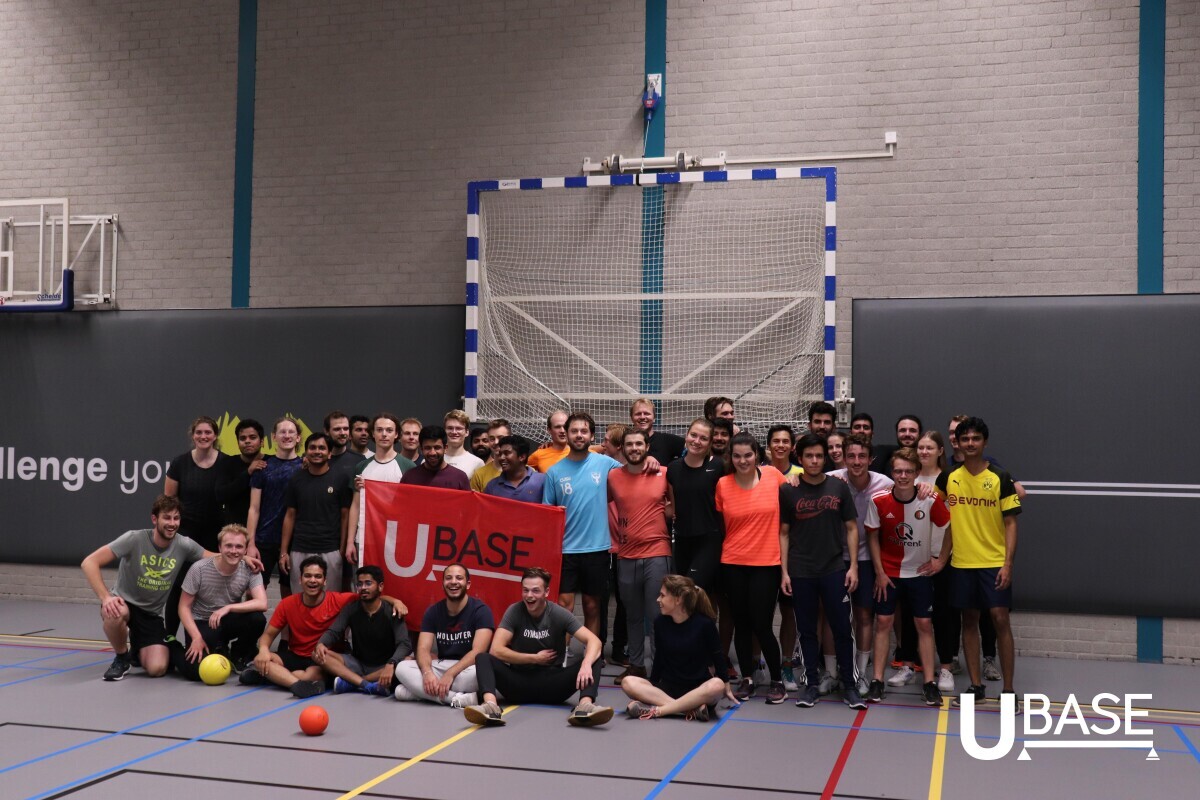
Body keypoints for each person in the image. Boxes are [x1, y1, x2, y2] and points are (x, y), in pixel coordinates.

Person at [936, 417, 1021, 708]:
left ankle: (1008, 691)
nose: (970, 443)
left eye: (976, 438)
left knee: (1000, 619)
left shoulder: (1000, 477)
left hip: (993, 562)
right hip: (962, 563)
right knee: (969, 621)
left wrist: (1008, 564)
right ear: (957, 443)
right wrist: (942, 558)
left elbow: (1011, 524)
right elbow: (943, 516)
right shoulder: (948, 477)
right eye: (965, 439)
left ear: (985, 442)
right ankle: (976, 687)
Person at [81, 495, 211, 681]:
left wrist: (240, 557)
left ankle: (137, 649)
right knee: (114, 612)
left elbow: (212, 557)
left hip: (151, 614)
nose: (172, 523)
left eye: (176, 518)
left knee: (157, 668)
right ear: (154, 519)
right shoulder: (134, 538)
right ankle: (121, 657)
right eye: (167, 517)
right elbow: (89, 562)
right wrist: (106, 598)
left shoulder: (184, 544)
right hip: (124, 602)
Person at [462, 568, 612, 727]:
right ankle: (491, 706)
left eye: (535, 591)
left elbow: (594, 641)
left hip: (553, 685)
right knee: (483, 657)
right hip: (518, 684)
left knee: (594, 658)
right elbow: (496, 649)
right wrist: (534, 658)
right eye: (525, 590)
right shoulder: (514, 611)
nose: (529, 595)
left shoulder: (558, 613)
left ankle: (585, 706)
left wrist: (586, 664)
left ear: (546, 592)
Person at [240, 556, 405, 697]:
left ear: (325, 581)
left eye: (318, 576)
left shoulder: (340, 600)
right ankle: (295, 684)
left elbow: (371, 597)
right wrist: (263, 650)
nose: (312, 580)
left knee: (310, 675)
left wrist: (396, 601)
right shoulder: (287, 604)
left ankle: (275, 677)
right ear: (300, 579)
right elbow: (268, 635)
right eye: (308, 576)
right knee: (264, 659)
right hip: (295, 655)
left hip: (321, 660)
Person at [780, 434, 863, 709]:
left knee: (842, 629)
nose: (814, 460)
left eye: (819, 456)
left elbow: (851, 528)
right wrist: (784, 572)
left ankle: (849, 685)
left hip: (834, 569)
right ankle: (812, 684)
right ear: (800, 458)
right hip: (800, 570)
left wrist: (853, 566)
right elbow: (783, 533)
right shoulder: (788, 490)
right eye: (809, 456)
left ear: (825, 458)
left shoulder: (838, 487)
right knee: (806, 630)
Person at [864, 448, 950, 706]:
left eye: (908, 471)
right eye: (898, 471)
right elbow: (872, 537)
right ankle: (877, 681)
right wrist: (879, 572)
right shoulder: (878, 500)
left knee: (924, 624)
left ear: (917, 473)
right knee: (883, 621)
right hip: (888, 574)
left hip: (919, 573)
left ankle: (929, 683)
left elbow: (949, 527)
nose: (903, 476)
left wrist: (941, 560)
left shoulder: (930, 499)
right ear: (892, 473)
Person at [715, 432, 788, 703]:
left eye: (748, 455)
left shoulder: (773, 476)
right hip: (733, 563)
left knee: (762, 624)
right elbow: (722, 526)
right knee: (741, 623)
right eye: (737, 456)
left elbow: (793, 502)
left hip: (767, 563)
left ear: (757, 455)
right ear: (730, 457)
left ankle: (777, 680)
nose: (743, 460)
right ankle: (747, 679)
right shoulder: (723, 484)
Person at [543, 412, 622, 638]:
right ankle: (563, 652)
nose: (579, 435)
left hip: (597, 549)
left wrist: (651, 462)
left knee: (592, 605)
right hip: (565, 550)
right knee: (564, 606)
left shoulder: (606, 463)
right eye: (574, 431)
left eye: (584, 431)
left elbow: (632, 473)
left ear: (592, 436)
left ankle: (592, 652)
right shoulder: (554, 472)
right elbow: (547, 513)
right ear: (566, 434)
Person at [828, 433, 893, 693]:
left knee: (865, 615)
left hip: (866, 558)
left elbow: (911, 491)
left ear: (870, 459)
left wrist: (924, 488)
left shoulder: (885, 483)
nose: (857, 461)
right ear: (844, 458)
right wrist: (794, 478)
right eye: (851, 456)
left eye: (862, 456)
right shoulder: (831, 480)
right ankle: (831, 673)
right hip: (834, 557)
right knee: (832, 616)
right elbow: (798, 482)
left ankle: (862, 673)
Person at [623, 575, 738, 721]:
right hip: (668, 689)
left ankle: (660, 710)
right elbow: (659, 657)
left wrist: (726, 685)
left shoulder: (705, 624)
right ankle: (689, 710)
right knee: (628, 682)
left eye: (662, 595)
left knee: (717, 685)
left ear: (678, 600)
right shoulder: (660, 623)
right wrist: (652, 686)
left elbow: (718, 656)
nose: (658, 600)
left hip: (698, 691)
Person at [607, 428, 673, 682]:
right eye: (629, 444)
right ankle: (636, 666)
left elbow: (675, 508)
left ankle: (660, 668)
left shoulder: (663, 473)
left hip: (657, 552)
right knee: (632, 615)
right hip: (626, 555)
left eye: (638, 444)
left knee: (657, 615)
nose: (634, 448)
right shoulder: (613, 476)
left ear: (647, 447)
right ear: (622, 448)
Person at [395, 563, 495, 706]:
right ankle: (458, 699)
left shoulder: (481, 611)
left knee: (482, 675)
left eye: (459, 578)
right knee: (402, 668)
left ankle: (415, 692)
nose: (453, 582)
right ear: (443, 584)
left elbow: (478, 651)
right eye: (448, 578)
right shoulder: (433, 611)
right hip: (442, 666)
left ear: (468, 584)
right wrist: (427, 673)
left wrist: (450, 674)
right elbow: (422, 648)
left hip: (468, 668)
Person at [176, 523, 267, 679]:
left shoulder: (250, 569)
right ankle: (173, 646)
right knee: (195, 672)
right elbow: (183, 607)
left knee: (257, 619)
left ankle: (237, 654)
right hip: (202, 621)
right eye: (228, 546)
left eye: (239, 547)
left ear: (246, 550)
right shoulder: (199, 569)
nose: (233, 551)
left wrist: (228, 608)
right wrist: (196, 638)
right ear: (219, 547)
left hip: (226, 618)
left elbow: (262, 603)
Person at [163, 416, 227, 634]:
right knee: (179, 587)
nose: (203, 436)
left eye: (208, 432)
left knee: (214, 588)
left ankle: (211, 637)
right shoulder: (180, 463)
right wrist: (170, 532)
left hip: (216, 535)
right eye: (199, 432)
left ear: (215, 435)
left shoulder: (227, 463)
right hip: (186, 535)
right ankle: (170, 636)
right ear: (193, 435)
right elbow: (169, 502)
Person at [316, 565, 412, 696]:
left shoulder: (392, 611)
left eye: (368, 583)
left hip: (385, 667)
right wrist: (321, 643)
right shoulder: (351, 608)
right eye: (359, 584)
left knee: (406, 662)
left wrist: (391, 663)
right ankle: (367, 685)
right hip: (357, 664)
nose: (363, 588)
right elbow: (334, 632)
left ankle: (352, 682)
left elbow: (404, 644)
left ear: (380, 586)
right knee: (317, 654)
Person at [280, 433, 352, 593]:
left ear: (329, 453)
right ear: (306, 452)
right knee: (301, 599)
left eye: (322, 448)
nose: (317, 451)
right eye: (312, 448)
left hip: (330, 550)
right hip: (300, 549)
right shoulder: (296, 479)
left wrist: (341, 550)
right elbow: (290, 515)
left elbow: (345, 516)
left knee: (330, 601)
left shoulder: (341, 479)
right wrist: (284, 552)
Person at [917, 430, 959, 693]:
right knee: (916, 616)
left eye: (929, 447)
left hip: (943, 558)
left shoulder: (949, 479)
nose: (924, 452)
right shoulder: (908, 477)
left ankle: (946, 667)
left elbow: (952, 522)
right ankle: (912, 665)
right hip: (914, 560)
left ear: (941, 451)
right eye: (921, 447)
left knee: (944, 614)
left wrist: (942, 558)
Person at [346, 413, 417, 567]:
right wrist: (350, 541)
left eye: (389, 430)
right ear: (373, 433)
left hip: (396, 539)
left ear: (396, 434)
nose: (384, 434)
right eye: (379, 430)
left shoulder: (408, 467)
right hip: (365, 538)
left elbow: (412, 508)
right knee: (364, 581)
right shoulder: (362, 466)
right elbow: (356, 506)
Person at [246, 416, 304, 595]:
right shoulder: (263, 467)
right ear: (274, 437)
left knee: (290, 595)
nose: (287, 436)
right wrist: (250, 543)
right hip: (264, 539)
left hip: (295, 540)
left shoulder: (305, 468)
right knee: (253, 593)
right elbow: (254, 508)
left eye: (291, 432)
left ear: (298, 438)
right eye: (282, 432)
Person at [214, 418, 266, 526]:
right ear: (238, 443)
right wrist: (248, 472)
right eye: (242, 438)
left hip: (265, 529)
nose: (247, 441)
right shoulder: (227, 463)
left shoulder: (271, 462)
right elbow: (221, 495)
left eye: (252, 437)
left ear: (262, 441)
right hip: (235, 529)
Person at [400, 426, 471, 489]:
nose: (432, 453)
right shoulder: (409, 477)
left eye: (437, 447)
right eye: (427, 448)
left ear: (445, 448)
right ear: (421, 449)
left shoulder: (460, 477)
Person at [483, 435, 545, 502]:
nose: (501, 458)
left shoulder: (543, 481)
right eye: (500, 454)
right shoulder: (492, 486)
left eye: (506, 453)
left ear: (522, 457)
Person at [630, 397, 685, 464]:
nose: (642, 417)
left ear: (654, 418)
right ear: (631, 418)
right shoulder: (625, 442)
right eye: (638, 414)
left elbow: (691, 449)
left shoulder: (667, 441)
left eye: (646, 413)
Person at [324, 410, 366, 485]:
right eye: (337, 429)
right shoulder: (316, 460)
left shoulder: (360, 461)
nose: (343, 433)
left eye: (346, 429)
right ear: (326, 431)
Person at [470, 418, 511, 492]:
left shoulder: (525, 471)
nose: (496, 442)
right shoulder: (479, 475)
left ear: (510, 438)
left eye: (500, 438)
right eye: (492, 438)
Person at [442, 410, 485, 480]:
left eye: (459, 428)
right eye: (450, 428)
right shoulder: (432, 459)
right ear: (444, 431)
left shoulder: (477, 463)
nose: (454, 432)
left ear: (467, 432)